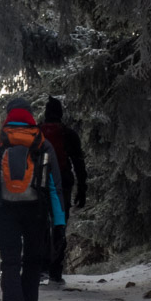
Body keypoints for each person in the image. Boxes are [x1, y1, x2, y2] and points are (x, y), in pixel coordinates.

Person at [0, 97, 66, 301]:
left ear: (8, 115)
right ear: (30, 115)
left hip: (4, 210)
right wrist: (59, 223)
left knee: (10, 262)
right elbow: (54, 188)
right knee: (32, 262)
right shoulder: (42, 144)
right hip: (36, 210)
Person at [39, 96, 87, 286]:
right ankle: (55, 273)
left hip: (38, 186)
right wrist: (82, 188)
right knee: (59, 225)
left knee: (40, 225)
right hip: (63, 186)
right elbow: (78, 163)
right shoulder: (68, 134)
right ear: (60, 113)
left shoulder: (36, 132)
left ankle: (40, 268)